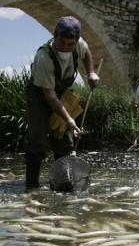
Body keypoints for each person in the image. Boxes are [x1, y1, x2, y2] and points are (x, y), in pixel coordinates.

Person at [24, 16, 100, 189]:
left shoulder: (79, 44)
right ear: (55, 36)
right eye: (62, 42)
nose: (65, 47)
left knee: (65, 141)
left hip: (62, 93)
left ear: (76, 41)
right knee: (37, 140)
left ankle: (64, 184)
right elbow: (50, 97)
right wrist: (69, 119)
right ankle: (31, 187)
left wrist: (91, 73)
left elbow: (86, 52)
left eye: (70, 44)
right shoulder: (43, 58)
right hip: (40, 96)